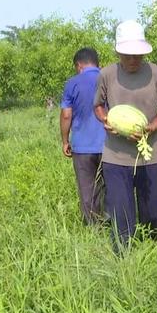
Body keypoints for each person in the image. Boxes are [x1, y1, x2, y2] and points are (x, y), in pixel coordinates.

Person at [93, 20, 157, 252]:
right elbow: (98, 106)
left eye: (137, 55)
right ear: (118, 51)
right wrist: (106, 120)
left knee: (153, 210)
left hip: (151, 155)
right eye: (128, 55)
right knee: (121, 211)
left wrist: (150, 127)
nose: (133, 60)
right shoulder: (106, 74)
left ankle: (151, 250)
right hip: (116, 157)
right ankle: (123, 257)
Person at [60, 47, 106, 225]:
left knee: (87, 191)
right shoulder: (109, 79)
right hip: (109, 145)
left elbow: (66, 115)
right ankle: (112, 226)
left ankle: (93, 229)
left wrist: (65, 141)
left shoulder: (72, 83)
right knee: (109, 188)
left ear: (79, 65)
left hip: (82, 147)